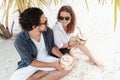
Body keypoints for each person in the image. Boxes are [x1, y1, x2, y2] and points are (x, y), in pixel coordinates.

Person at [10, 7, 70, 80]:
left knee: (66, 68)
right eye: (44, 23)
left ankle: (38, 76)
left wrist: (63, 57)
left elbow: (51, 47)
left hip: (46, 58)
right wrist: (52, 65)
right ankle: (37, 74)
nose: (47, 24)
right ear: (34, 26)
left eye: (46, 20)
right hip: (31, 63)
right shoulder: (20, 40)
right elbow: (30, 61)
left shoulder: (48, 31)